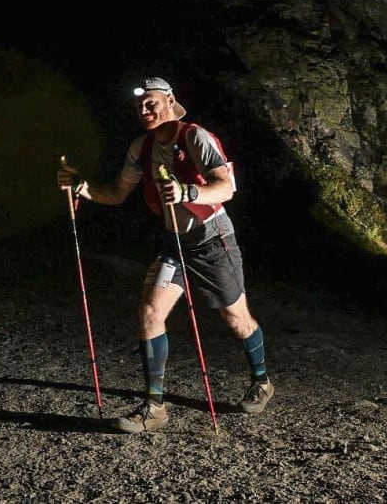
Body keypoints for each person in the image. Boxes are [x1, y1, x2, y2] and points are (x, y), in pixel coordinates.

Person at [58, 77, 274, 433]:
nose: (144, 111)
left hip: (213, 241)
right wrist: (82, 188)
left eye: (152, 103)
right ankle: (154, 407)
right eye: (140, 106)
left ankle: (262, 381)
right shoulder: (140, 147)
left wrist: (187, 190)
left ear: (171, 100)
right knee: (149, 311)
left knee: (237, 319)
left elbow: (226, 186)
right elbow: (115, 193)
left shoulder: (195, 137)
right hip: (175, 243)